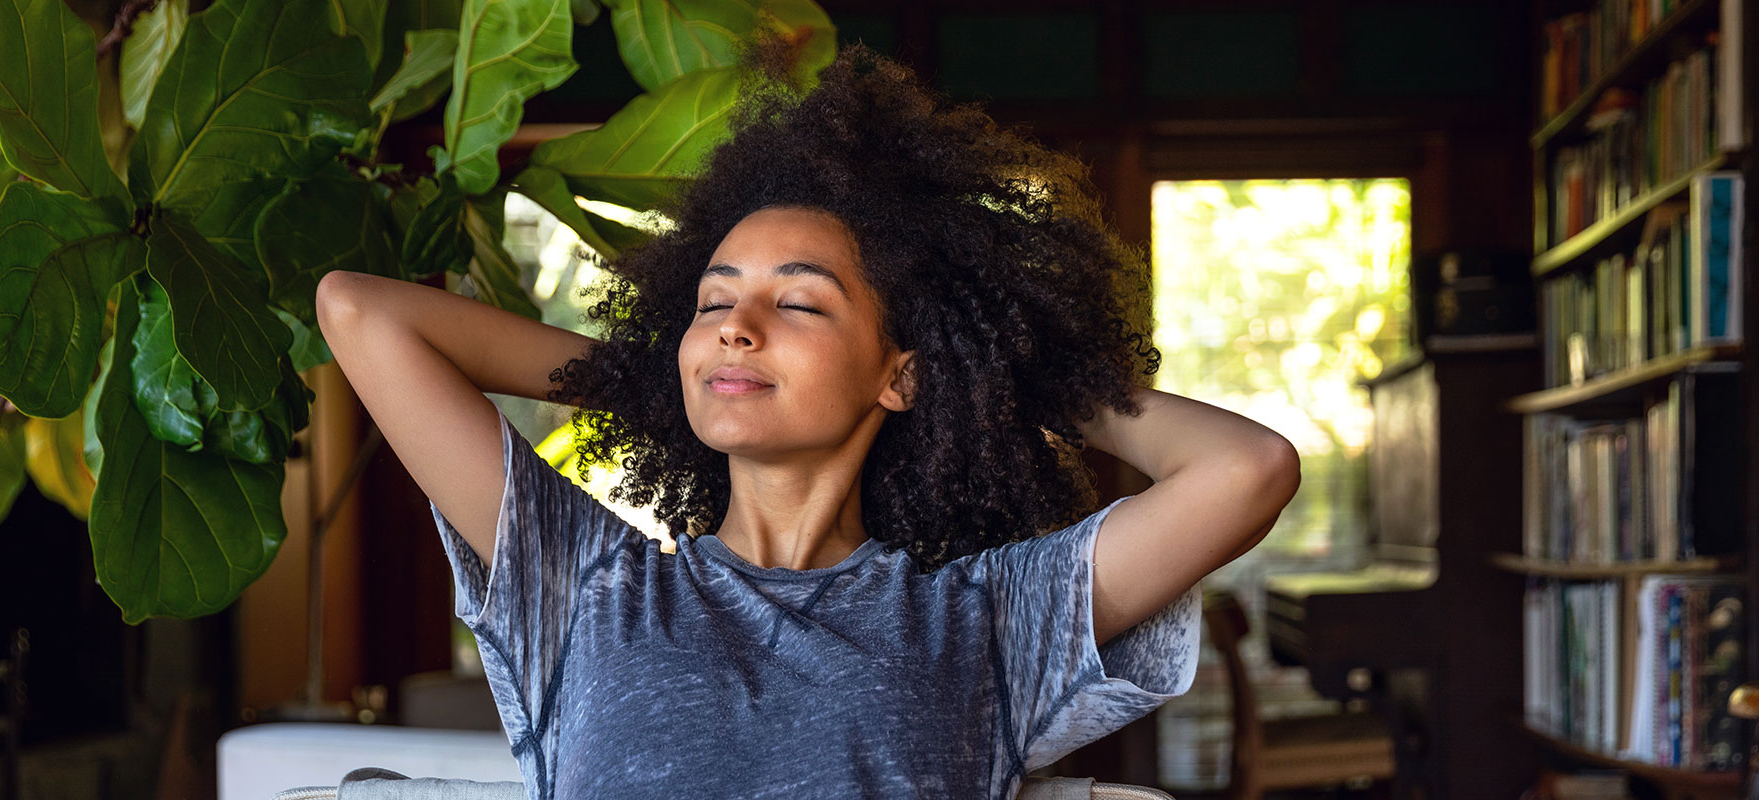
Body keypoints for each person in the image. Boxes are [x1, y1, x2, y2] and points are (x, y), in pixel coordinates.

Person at [317, 39, 1300, 800]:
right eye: (710, 303)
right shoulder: (581, 583)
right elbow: (360, 310)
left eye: (798, 303)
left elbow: (1246, 466)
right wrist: (663, 375)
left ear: (896, 373)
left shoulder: (989, 620)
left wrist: (985, 371)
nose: (736, 329)